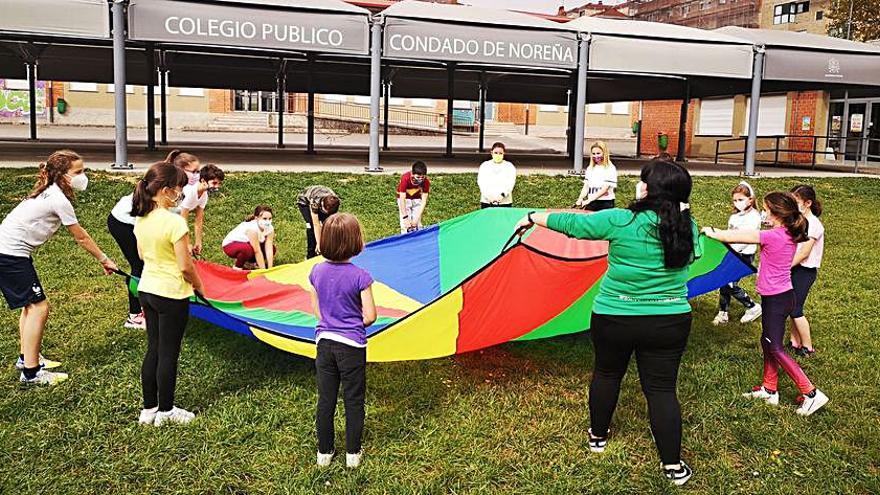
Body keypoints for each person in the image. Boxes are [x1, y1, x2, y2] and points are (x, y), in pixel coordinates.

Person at [513, 159, 699, 486]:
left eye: (644, 181)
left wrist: (530, 217)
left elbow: (572, 225)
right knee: (661, 390)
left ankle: (597, 438)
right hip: (669, 321)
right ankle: (673, 465)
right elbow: (690, 256)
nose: (639, 185)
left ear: (650, 190)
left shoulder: (620, 220)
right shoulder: (688, 227)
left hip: (615, 316)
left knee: (607, 373)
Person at [703, 192, 829, 417]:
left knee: (775, 347)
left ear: (777, 214)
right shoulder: (787, 232)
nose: (763, 213)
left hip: (777, 299)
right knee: (767, 341)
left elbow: (738, 236)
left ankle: (811, 393)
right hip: (780, 297)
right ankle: (769, 389)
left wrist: (711, 232)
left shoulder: (774, 235)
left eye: (766, 209)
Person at [0, 149, 117, 385]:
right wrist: (105, 259)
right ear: (63, 175)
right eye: (78, 172)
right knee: (39, 308)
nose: (83, 176)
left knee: (30, 306)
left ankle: (26, 358)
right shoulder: (57, 199)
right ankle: (32, 373)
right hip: (9, 255)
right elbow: (81, 237)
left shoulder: (50, 191)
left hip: (10, 253)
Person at [131, 161, 205, 426]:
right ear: (164, 190)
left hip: (147, 290)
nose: (180, 194)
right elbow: (185, 266)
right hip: (171, 293)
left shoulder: (142, 218)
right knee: (168, 353)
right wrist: (199, 285)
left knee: (154, 348)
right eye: (178, 189)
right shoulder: (174, 223)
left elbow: (141, 255)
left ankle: (148, 409)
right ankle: (166, 410)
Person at [309, 213, 376, 468]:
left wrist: (331, 322)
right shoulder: (361, 276)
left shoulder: (316, 271)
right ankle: (352, 455)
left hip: (324, 343)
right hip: (352, 347)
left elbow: (317, 310)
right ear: (356, 242)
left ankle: (324, 453)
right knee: (353, 399)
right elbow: (369, 316)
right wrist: (351, 324)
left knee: (326, 399)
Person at [712, 181, 762, 326]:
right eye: (735, 200)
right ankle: (723, 312)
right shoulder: (734, 217)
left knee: (729, 283)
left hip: (743, 256)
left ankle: (752, 306)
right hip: (731, 253)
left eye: (741, 199)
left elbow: (748, 238)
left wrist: (733, 250)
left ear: (750, 200)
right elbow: (729, 234)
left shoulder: (754, 217)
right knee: (724, 282)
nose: (737, 202)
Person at [788, 185, 825, 357]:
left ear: (808, 203)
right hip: (795, 268)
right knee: (791, 306)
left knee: (796, 310)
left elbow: (804, 253)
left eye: (796, 202)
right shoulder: (799, 221)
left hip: (805, 271)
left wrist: (785, 267)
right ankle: (794, 342)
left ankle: (807, 347)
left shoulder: (815, 225)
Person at [109, 188, 147, 330]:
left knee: (143, 265)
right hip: (122, 223)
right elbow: (141, 226)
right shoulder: (153, 195)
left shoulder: (169, 190)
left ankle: (145, 307)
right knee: (139, 265)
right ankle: (134, 316)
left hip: (135, 223)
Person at [179, 163, 225, 257]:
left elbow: (198, 221)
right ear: (203, 180)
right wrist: (187, 243)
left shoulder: (204, 195)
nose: (217, 187)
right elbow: (183, 221)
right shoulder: (191, 192)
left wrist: (198, 242)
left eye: (219, 183)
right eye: (214, 183)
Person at [222, 206, 277, 270]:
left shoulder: (270, 228)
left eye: (270, 218)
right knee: (247, 250)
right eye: (264, 218)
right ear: (256, 218)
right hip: (230, 245)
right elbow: (257, 251)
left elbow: (269, 249)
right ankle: (237, 267)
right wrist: (263, 271)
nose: (267, 221)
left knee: (273, 248)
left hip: (247, 244)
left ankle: (249, 263)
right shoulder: (252, 229)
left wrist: (270, 269)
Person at [297, 185, 340, 259]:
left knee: (328, 225)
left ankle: (328, 252)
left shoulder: (335, 202)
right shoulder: (315, 202)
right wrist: (319, 243)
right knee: (310, 226)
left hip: (324, 204)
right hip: (305, 203)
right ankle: (310, 255)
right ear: (322, 204)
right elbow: (316, 224)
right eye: (324, 211)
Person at [574, 141, 618, 211]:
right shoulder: (590, 168)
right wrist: (580, 198)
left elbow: (605, 189)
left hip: (605, 202)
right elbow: (586, 186)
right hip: (592, 202)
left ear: (604, 153)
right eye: (593, 154)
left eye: (598, 153)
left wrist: (588, 200)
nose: (596, 156)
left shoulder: (610, 168)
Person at [477, 142, 516, 208]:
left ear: (504, 153)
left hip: (505, 202)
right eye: (496, 153)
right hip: (487, 201)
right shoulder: (485, 165)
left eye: (500, 153)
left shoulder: (509, 166)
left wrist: (502, 196)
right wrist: (488, 197)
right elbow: (481, 182)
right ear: (491, 153)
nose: (498, 155)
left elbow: (510, 183)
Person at [397, 161, 430, 234]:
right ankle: (405, 239)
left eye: (422, 177)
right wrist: (405, 218)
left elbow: (424, 200)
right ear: (412, 174)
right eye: (418, 177)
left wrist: (417, 218)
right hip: (405, 200)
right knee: (405, 225)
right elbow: (402, 199)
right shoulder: (405, 178)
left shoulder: (426, 182)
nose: (420, 179)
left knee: (417, 224)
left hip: (417, 199)